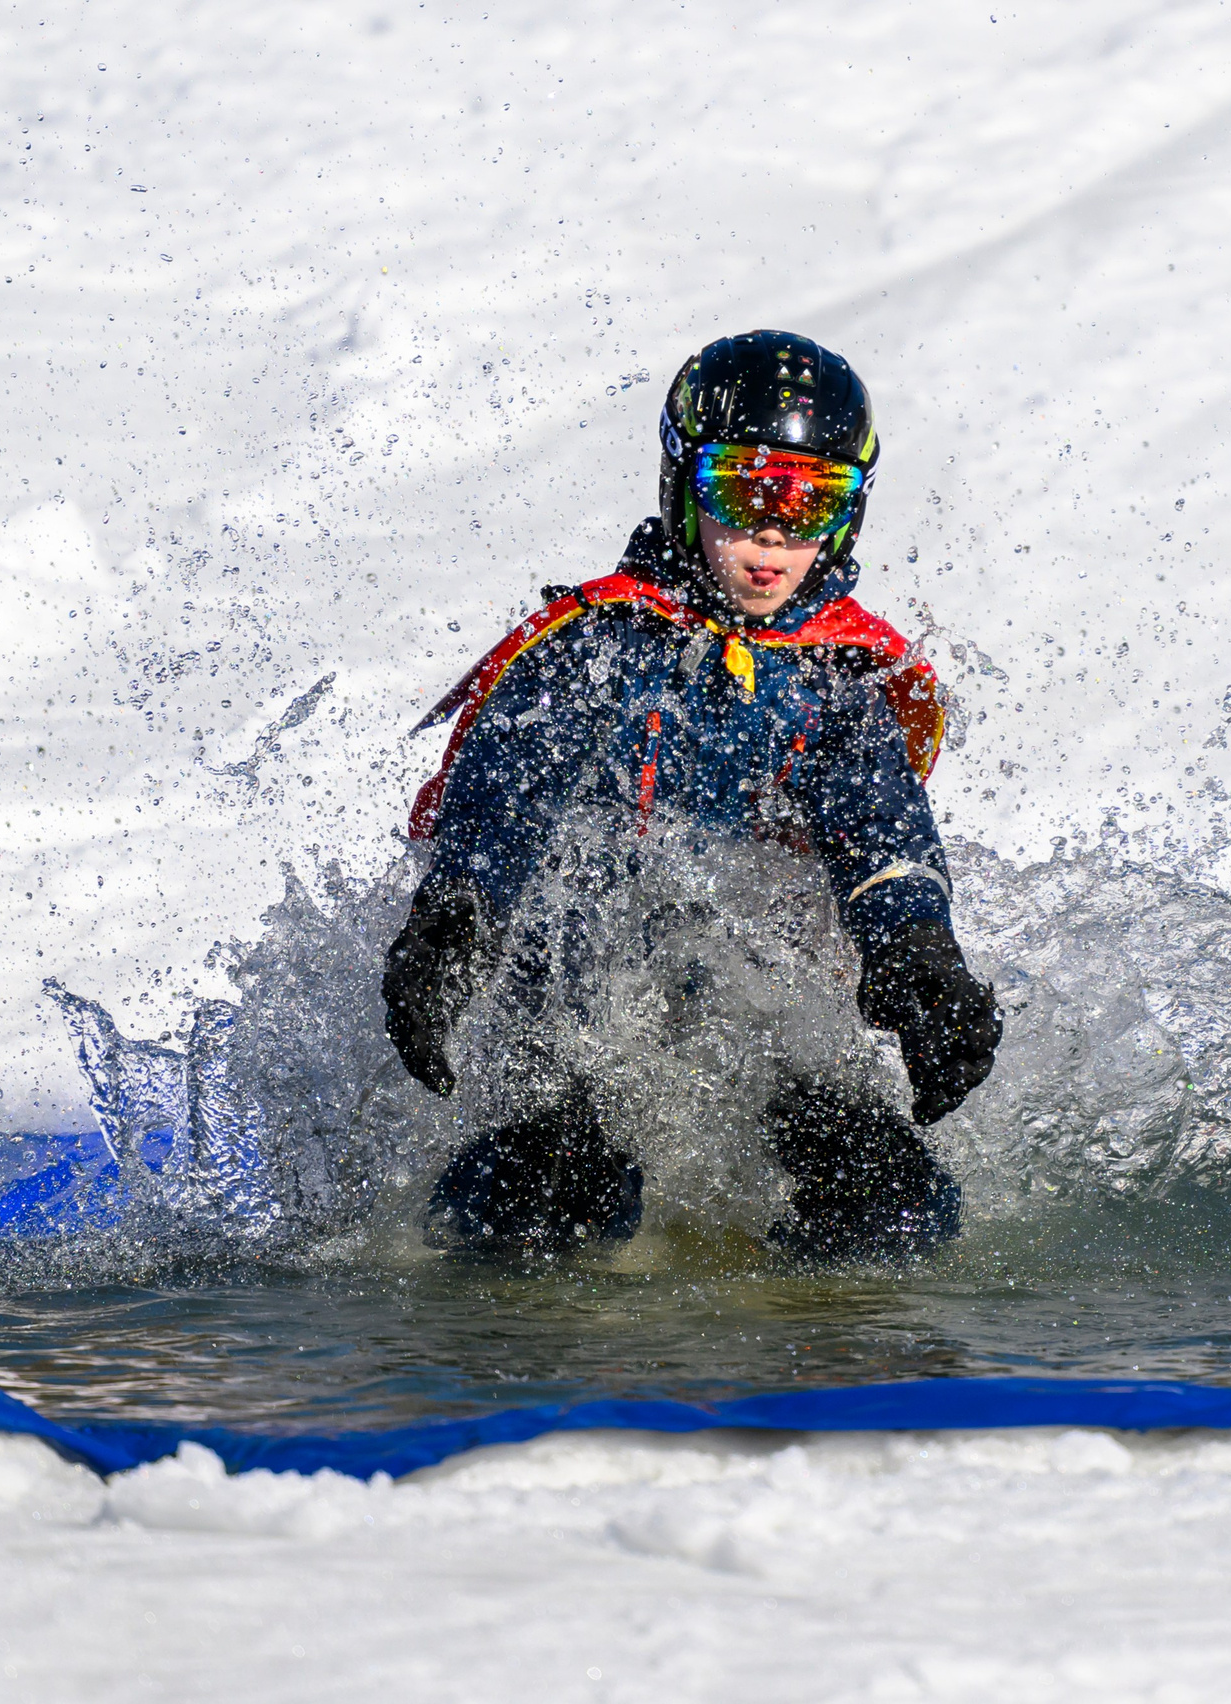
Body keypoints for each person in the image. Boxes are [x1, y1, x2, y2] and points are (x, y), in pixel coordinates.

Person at [382, 330, 1001, 1263]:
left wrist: (919, 958)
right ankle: (508, 1337)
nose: (774, 540)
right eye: (746, 494)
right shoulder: (594, 647)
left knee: (890, 1207)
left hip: (758, 1016)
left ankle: (827, 1367)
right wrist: (453, 922)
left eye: (813, 504)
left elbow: (884, 838)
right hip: (579, 1011)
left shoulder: (838, 676)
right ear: (682, 486)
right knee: (546, 1207)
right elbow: (502, 801)